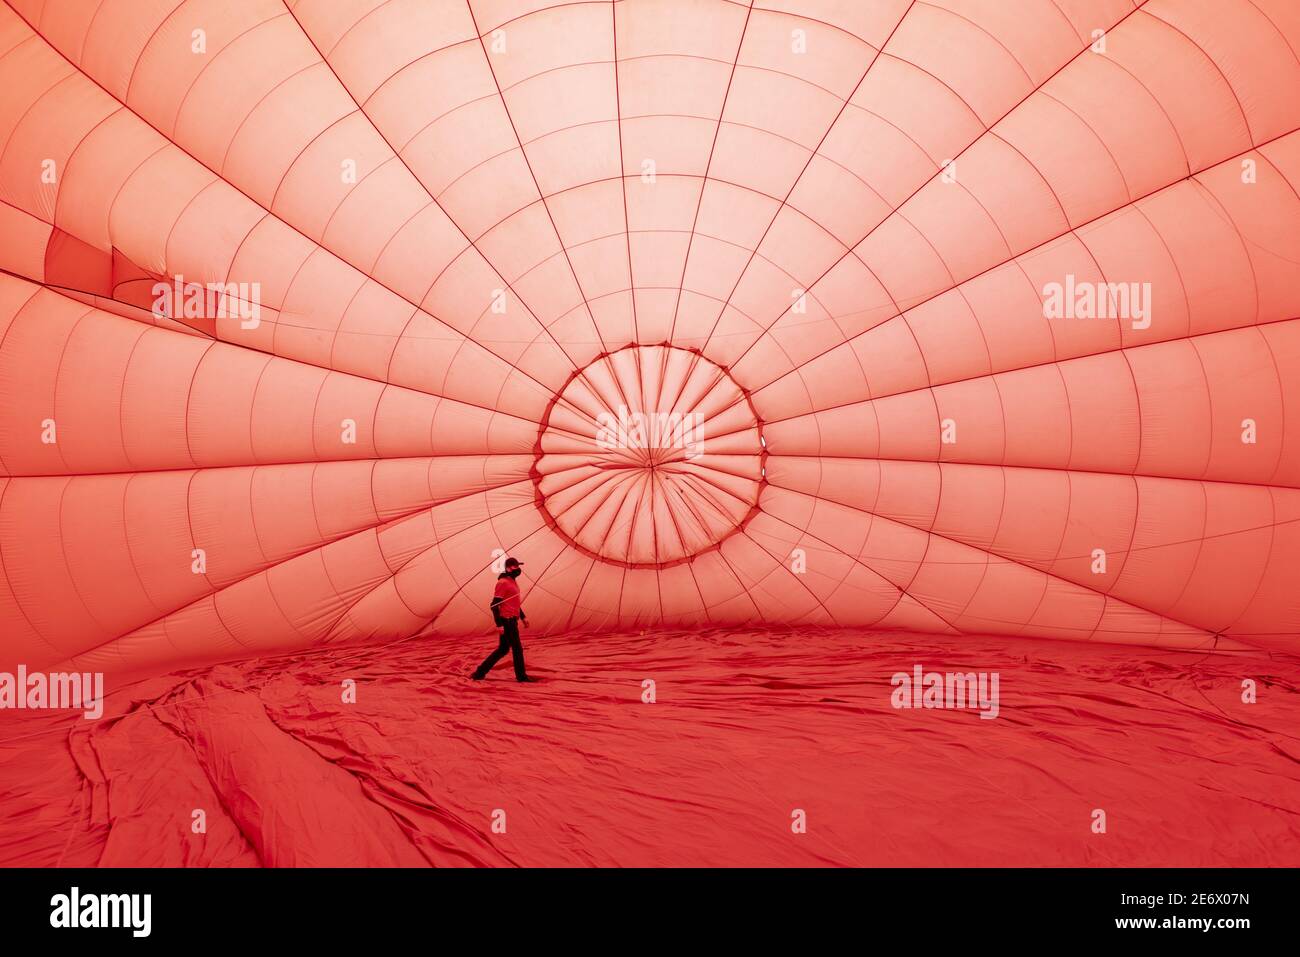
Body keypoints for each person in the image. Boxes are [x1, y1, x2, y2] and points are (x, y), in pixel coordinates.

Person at [472, 557, 539, 682]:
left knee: (503, 649)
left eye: (518, 566)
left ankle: (479, 672)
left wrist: (523, 617)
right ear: (508, 568)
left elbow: (514, 602)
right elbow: (494, 605)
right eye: (515, 567)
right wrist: (499, 624)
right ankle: (521, 677)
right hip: (507, 620)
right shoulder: (502, 583)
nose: (518, 569)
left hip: (512, 619)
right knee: (517, 648)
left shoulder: (512, 581)